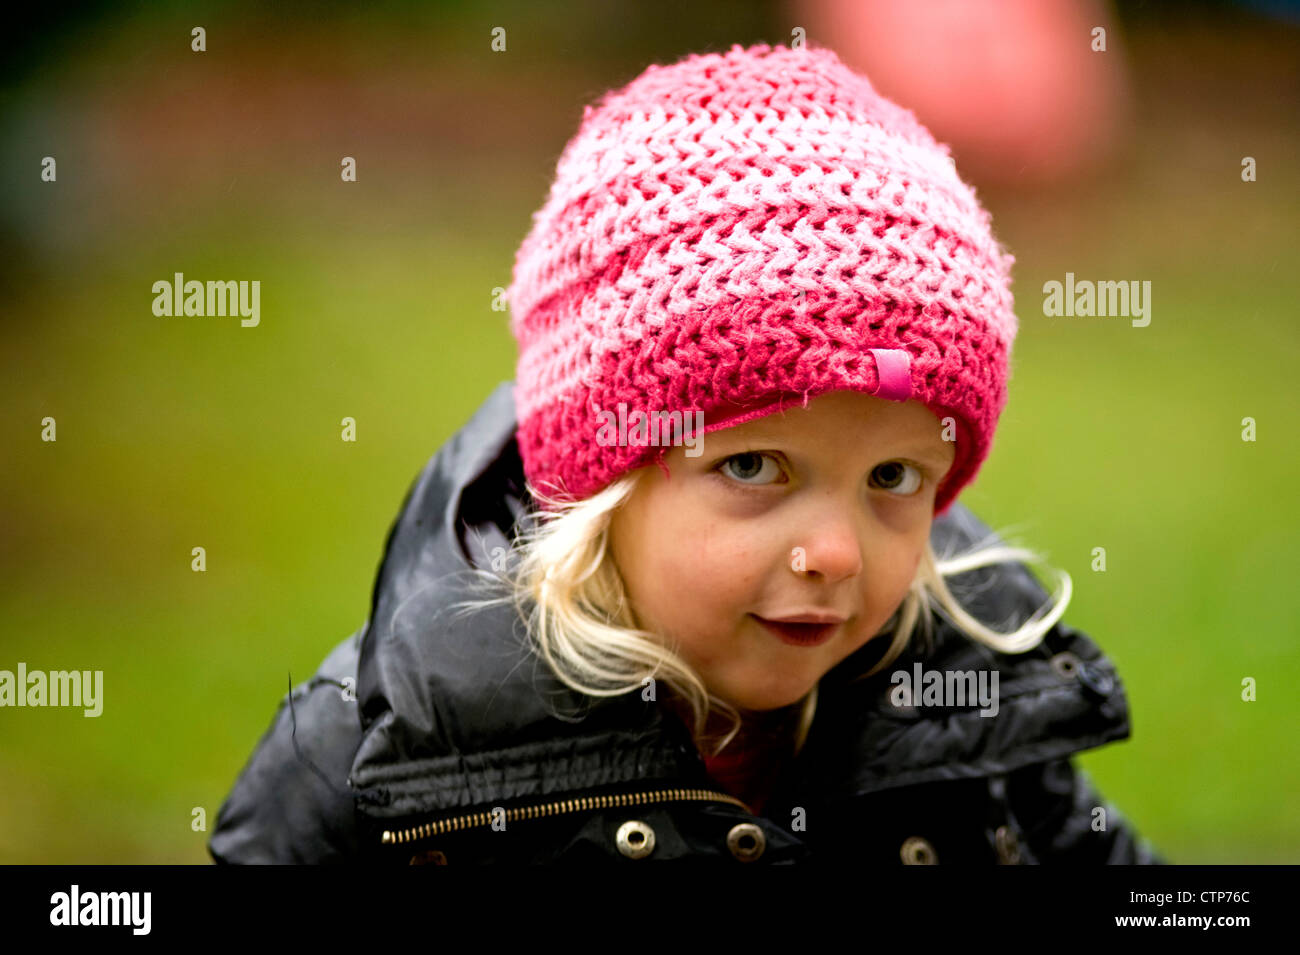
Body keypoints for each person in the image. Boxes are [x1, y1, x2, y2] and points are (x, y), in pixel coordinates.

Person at [209, 42, 1164, 865]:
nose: (833, 552)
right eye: (752, 467)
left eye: (893, 478)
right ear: (598, 478)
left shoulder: (971, 725)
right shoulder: (387, 760)